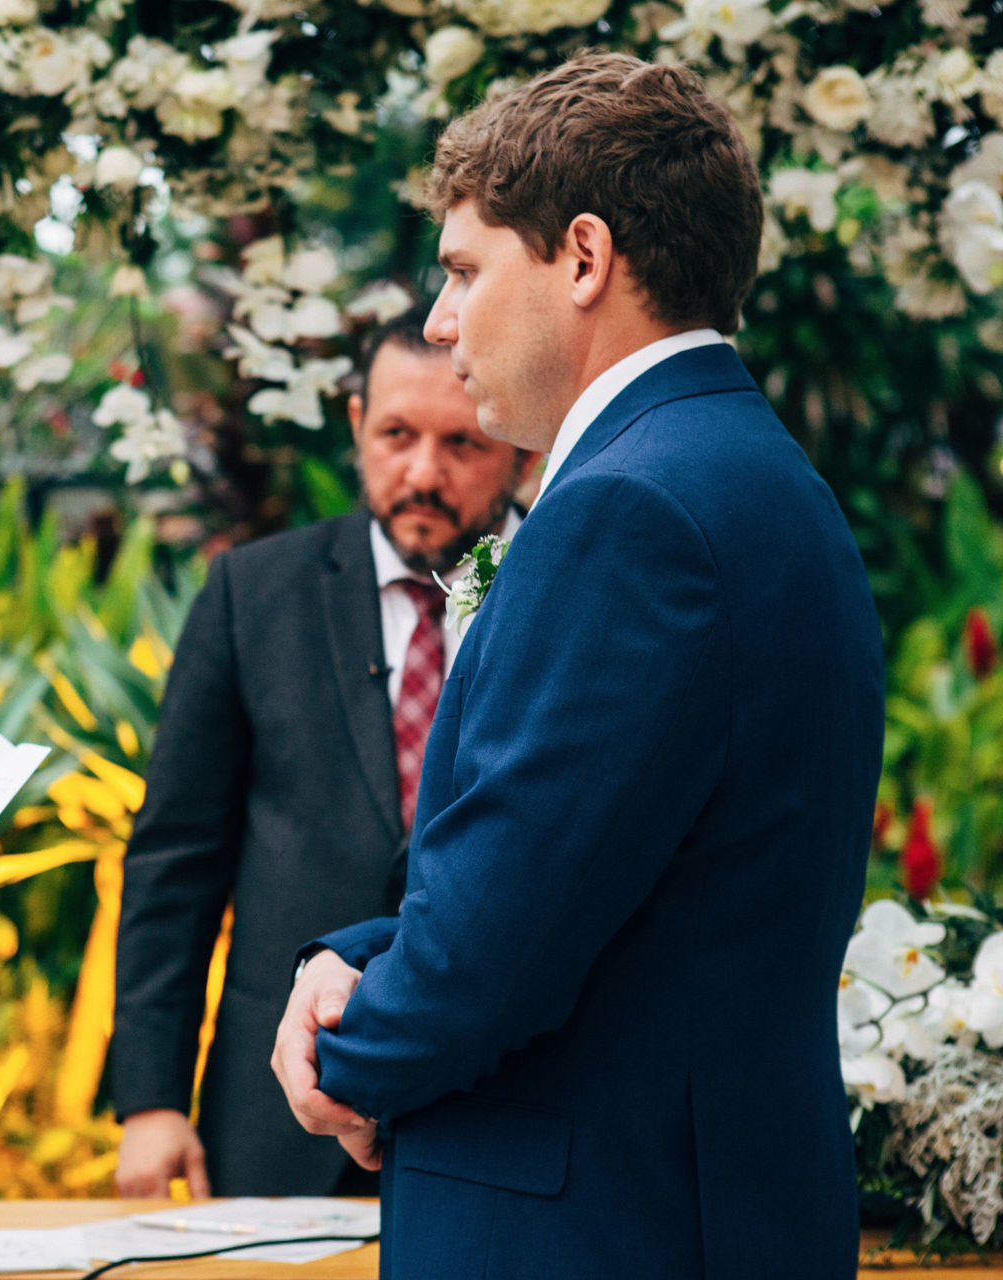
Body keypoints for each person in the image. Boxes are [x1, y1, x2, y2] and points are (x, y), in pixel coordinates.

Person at [271, 53, 883, 1278]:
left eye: (461, 271)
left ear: (584, 259)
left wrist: (345, 1050)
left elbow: (496, 945)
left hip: (598, 1225)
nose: (440, 325)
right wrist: (355, 952)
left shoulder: (631, 513)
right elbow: (618, 885)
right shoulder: (753, 473)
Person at [111, 309, 534, 1198]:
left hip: (503, 1112)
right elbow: (175, 862)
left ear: (516, 444)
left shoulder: (559, 598)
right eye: (396, 435)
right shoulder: (250, 594)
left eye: (461, 443)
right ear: (355, 428)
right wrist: (149, 1101)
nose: (423, 472)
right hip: (277, 1116)